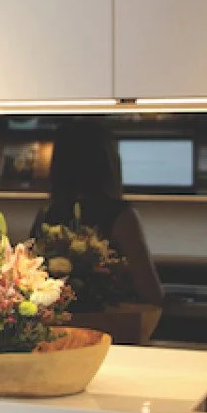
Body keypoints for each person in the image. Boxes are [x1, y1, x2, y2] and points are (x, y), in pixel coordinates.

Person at [30, 120, 165, 307]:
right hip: (110, 327)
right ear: (107, 163)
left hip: (60, 327)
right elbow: (151, 293)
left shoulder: (47, 215)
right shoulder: (121, 217)